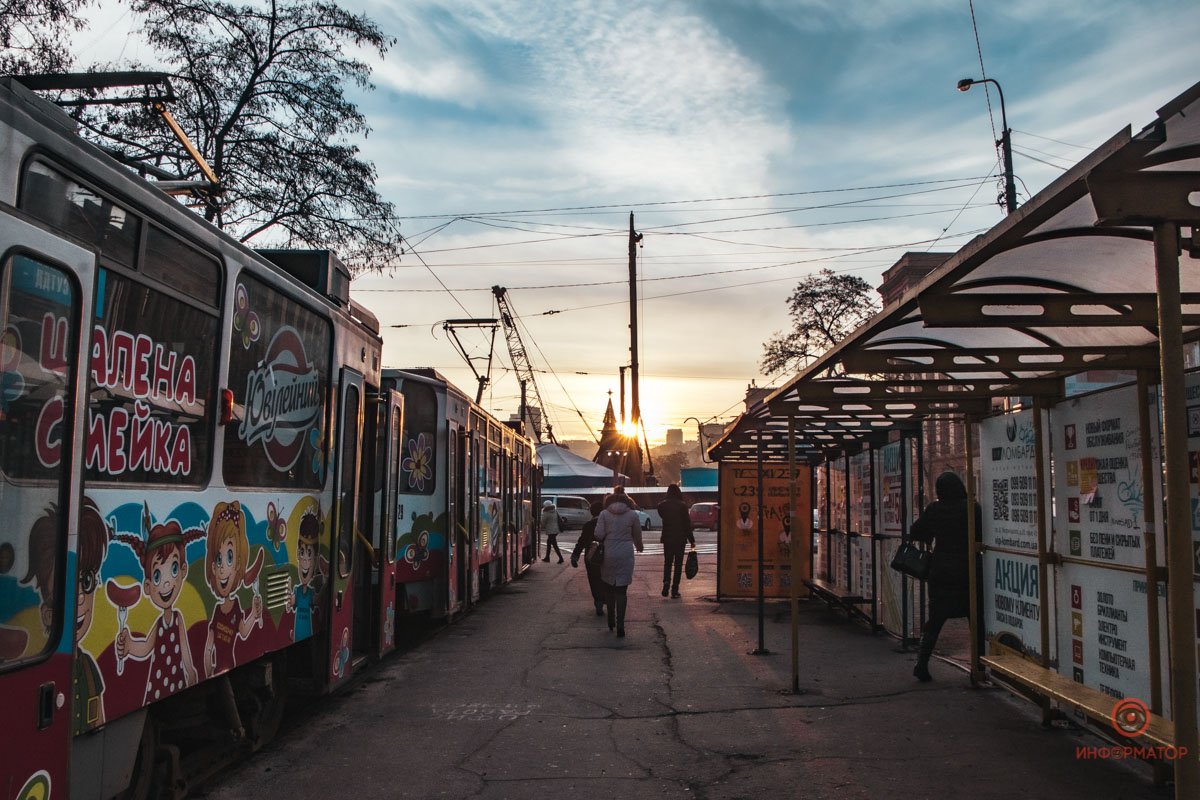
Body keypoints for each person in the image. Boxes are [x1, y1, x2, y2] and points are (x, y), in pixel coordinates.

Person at [909, 471, 980, 682]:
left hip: (941, 572)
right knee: (976, 619)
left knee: (934, 621)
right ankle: (978, 668)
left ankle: (922, 663)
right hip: (968, 570)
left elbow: (916, 531)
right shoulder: (972, 508)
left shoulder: (935, 509)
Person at [594, 487, 644, 637]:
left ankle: (611, 619)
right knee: (622, 591)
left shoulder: (604, 514)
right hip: (625, 553)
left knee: (609, 587)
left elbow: (598, 534)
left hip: (608, 553)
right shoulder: (633, 514)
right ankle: (620, 624)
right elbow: (637, 535)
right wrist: (639, 547)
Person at [569, 502, 609, 616]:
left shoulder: (588, 525)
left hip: (591, 556)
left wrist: (575, 556)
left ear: (591, 512)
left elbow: (581, 541)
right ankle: (607, 598)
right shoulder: (608, 523)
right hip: (607, 555)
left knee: (594, 579)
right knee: (607, 578)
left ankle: (598, 601)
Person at [655, 484, 695, 599]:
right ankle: (674, 589)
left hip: (667, 538)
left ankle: (666, 583)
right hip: (680, 539)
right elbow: (687, 524)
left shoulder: (662, 505)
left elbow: (663, 516)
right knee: (678, 564)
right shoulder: (682, 506)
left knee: (667, 563)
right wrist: (691, 540)